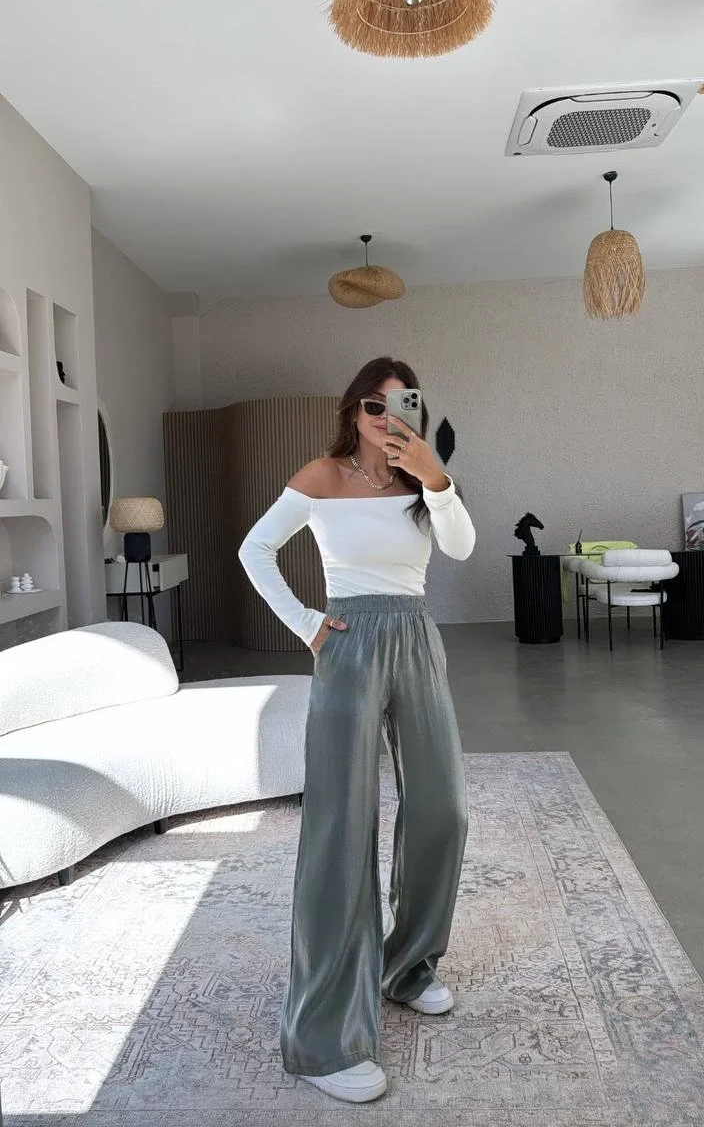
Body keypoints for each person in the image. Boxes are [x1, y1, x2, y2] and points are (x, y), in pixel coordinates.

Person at [238, 357, 476, 1104]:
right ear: (352, 412)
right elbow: (254, 549)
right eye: (372, 404)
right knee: (342, 824)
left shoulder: (423, 483)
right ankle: (325, 1037)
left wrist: (436, 478)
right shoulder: (322, 475)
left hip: (416, 638)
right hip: (347, 642)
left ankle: (407, 966)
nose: (384, 417)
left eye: (400, 404)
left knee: (443, 809)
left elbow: (461, 547)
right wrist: (306, 623)